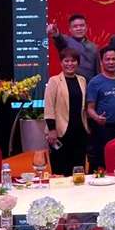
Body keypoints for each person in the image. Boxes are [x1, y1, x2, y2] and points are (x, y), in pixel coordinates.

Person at [44, 48, 89, 176]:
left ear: (78, 63)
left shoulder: (82, 80)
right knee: (61, 170)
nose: (70, 64)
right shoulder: (54, 81)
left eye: (73, 61)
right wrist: (52, 130)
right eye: (66, 61)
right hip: (60, 133)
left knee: (78, 171)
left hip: (80, 132)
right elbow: (49, 107)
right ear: (61, 63)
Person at [86, 46, 115, 171]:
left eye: (114, 59)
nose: (111, 62)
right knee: (101, 165)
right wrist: (97, 118)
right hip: (103, 129)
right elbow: (89, 108)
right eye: (107, 59)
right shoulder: (95, 82)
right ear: (101, 62)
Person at [47, 14, 99, 82]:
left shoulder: (94, 47)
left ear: (86, 27)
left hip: (90, 85)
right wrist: (55, 32)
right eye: (75, 26)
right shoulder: (66, 41)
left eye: (82, 25)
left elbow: (97, 71)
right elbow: (59, 39)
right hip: (71, 83)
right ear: (70, 29)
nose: (79, 29)